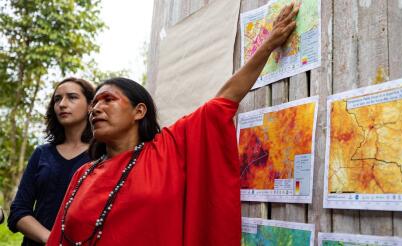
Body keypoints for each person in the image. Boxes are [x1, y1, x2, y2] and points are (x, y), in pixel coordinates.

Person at [47, 3, 300, 246]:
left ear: (139, 111)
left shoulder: (167, 149)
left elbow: (224, 100)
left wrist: (268, 45)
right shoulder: (83, 174)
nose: (96, 108)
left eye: (108, 100)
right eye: (94, 104)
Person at [8, 78, 95, 245]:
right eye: (57, 99)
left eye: (72, 97)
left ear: (91, 105)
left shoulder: (103, 155)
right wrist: (51, 239)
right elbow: (18, 210)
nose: (62, 104)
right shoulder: (42, 153)